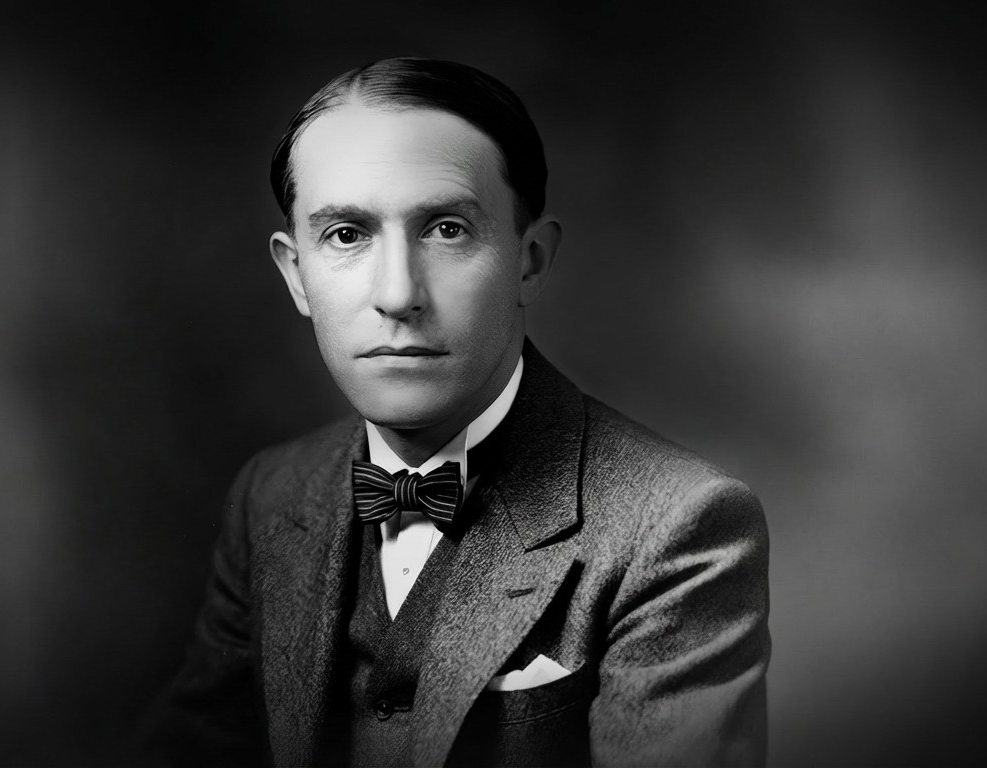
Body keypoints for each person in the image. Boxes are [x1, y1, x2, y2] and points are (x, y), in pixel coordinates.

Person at [148, 57, 770, 767]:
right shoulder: (271, 494)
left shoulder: (681, 527)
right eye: (346, 235)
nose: (397, 294)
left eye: (445, 229)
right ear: (296, 275)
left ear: (528, 261)